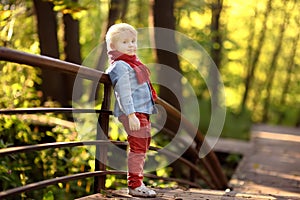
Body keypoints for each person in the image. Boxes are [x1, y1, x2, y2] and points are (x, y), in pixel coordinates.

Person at [105, 23, 157, 198]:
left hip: (142, 112)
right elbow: (123, 93)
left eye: (133, 41)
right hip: (134, 113)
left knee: (142, 146)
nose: (131, 45)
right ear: (113, 46)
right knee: (137, 148)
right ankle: (134, 185)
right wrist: (131, 114)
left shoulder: (133, 64)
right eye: (125, 42)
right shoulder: (120, 66)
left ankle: (138, 181)